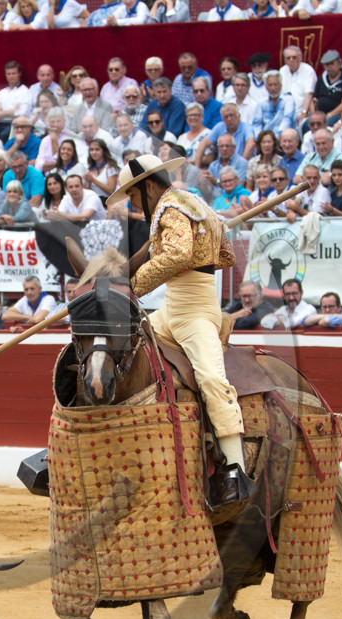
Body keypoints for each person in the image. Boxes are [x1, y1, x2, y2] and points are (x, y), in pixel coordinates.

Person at [109, 153, 248, 502]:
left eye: (134, 194)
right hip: (170, 310)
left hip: (196, 312)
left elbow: (177, 256)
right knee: (114, 349)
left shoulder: (172, 208)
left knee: (212, 379)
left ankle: (235, 468)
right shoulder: (186, 204)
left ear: (149, 185)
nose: (134, 203)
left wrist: (132, 287)